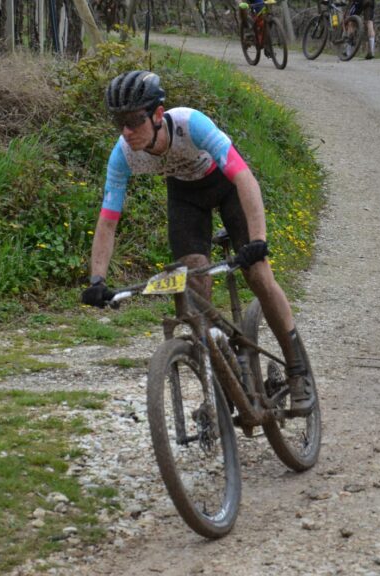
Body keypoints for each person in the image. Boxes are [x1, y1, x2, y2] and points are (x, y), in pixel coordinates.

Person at [80, 70, 315, 417]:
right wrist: (97, 280)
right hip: (186, 197)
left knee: (258, 275)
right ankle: (220, 381)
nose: (126, 131)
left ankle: (297, 370)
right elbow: (108, 219)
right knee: (193, 290)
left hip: (227, 186)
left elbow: (245, 178)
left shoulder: (191, 124)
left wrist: (259, 241)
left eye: (133, 121)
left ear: (158, 114)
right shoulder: (123, 154)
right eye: (119, 122)